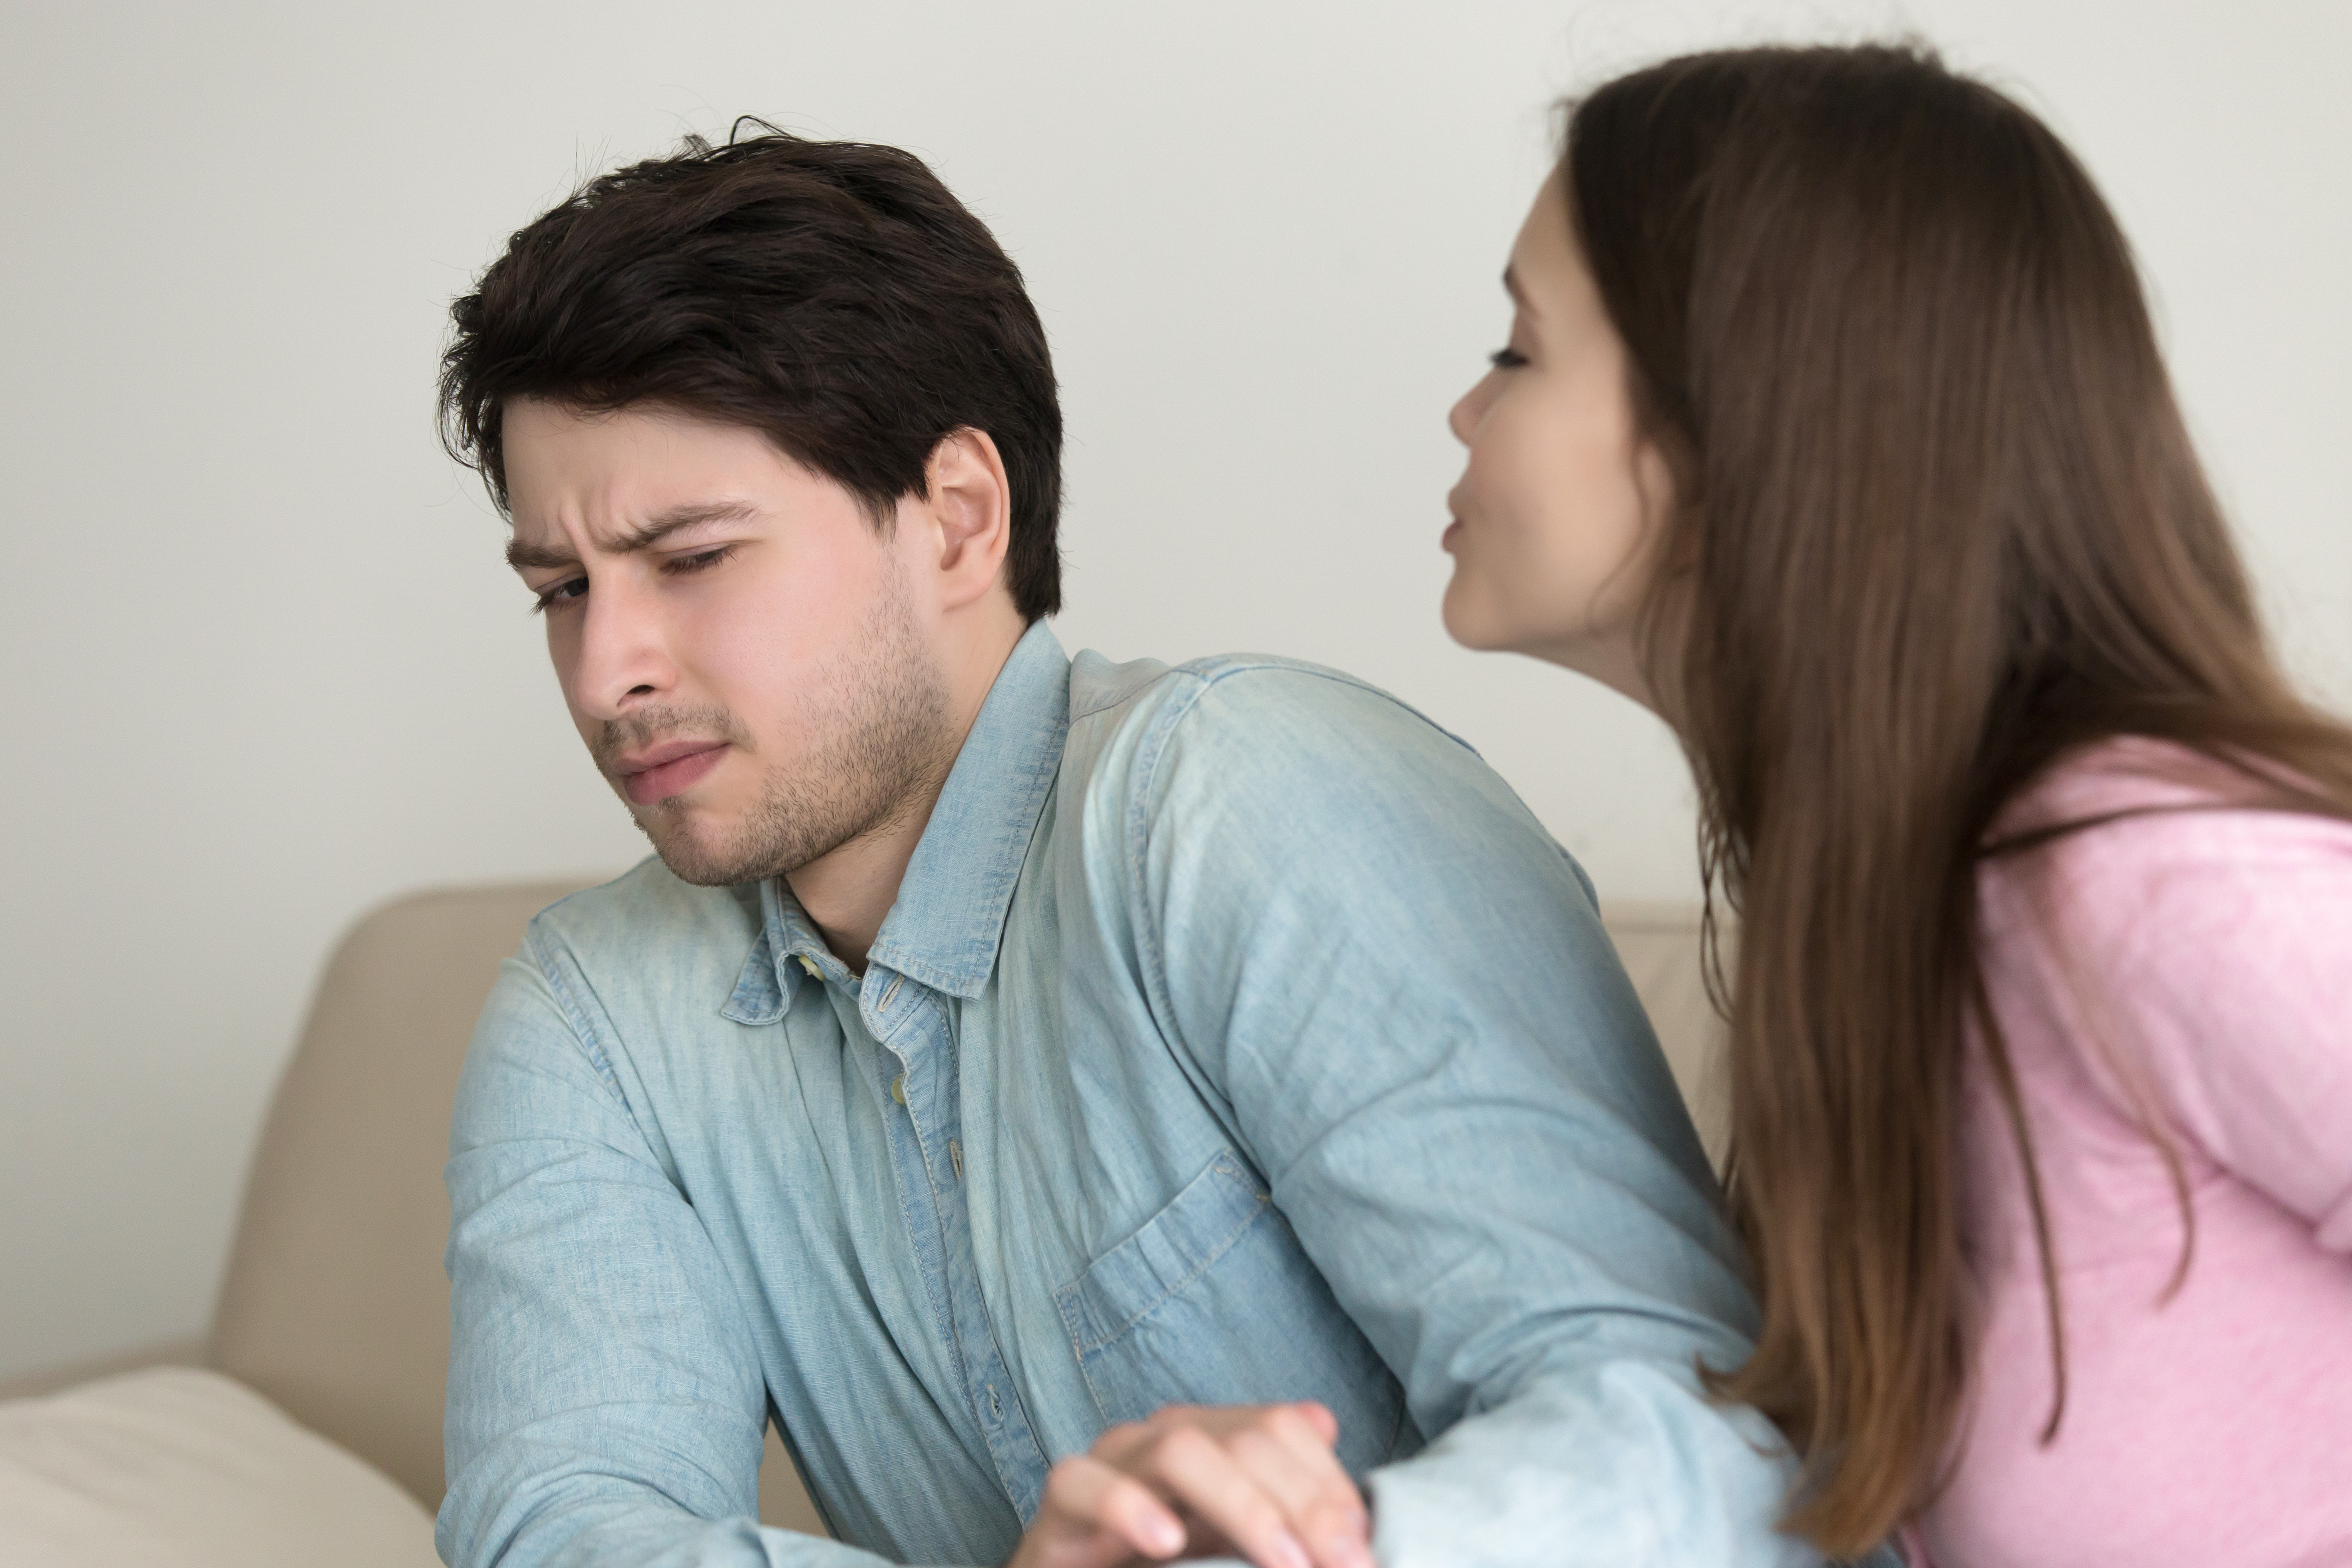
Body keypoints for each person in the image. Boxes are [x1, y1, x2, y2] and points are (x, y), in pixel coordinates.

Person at [433, 128, 1826, 1568]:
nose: (607, 674)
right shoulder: (590, 1011)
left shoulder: (1241, 799)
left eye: (692, 558)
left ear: (960, 520)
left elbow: (1697, 1451)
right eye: (559, 589)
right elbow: (562, 1529)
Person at [1441, 41, 2352, 1568]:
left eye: (1519, 350)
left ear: (1745, 423)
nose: (1466, 412)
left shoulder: (2146, 878)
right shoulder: (1879, 940)